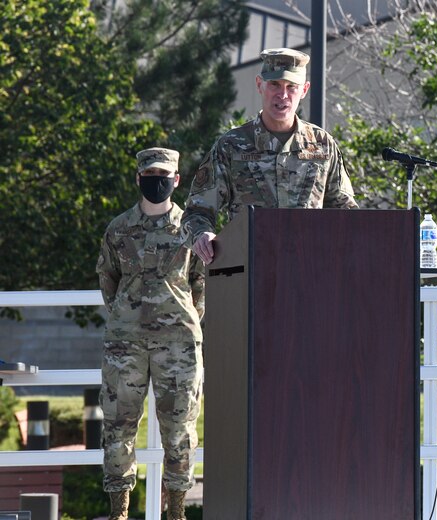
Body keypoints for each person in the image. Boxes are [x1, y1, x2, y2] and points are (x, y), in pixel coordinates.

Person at [96, 148, 204, 520]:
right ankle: (120, 511)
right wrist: (126, 318)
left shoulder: (192, 230)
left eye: (164, 175)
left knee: (180, 429)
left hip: (179, 344)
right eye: (150, 174)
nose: (156, 181)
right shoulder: (118, 228)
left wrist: (182, 318)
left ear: (176, 180)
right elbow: (108, 281)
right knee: (118, 427)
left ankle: (176, 511)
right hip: (125, 345)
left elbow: (200, 284)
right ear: (139, 178)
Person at [182, 47, 358, 264]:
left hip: (311, 271)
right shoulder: (231, 146)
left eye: (291, 87)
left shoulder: (322, 145)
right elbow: (196, 212)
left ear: (304, 90)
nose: (282, 95)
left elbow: (347, 214)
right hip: (251, 271)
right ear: (259, 85)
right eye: (274, 84)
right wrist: (202, 235)